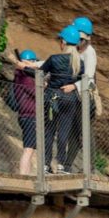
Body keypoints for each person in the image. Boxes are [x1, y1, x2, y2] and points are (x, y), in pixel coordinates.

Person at [41, 25, 83, 173]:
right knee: (64, 131)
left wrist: (24, 68)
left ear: (64, 42)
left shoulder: (54, 59)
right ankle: (60, 164)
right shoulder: (79, 63)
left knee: (49, 131)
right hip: (70, 99)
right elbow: (87, 80)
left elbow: (40, 73)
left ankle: (46, 164)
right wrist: (73, 86)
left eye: (60, 40)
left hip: (53, 98)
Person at [66, 15, 98, 167]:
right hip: (76, 98)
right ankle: (66, 166)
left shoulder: (89, 53)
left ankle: (90, 168)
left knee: (85, 132)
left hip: (85, 98)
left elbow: (89, 78)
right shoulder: (75, 50)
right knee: (74, 131)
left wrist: (74, 86)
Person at [14, 50, 39, 176]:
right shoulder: (25, 77)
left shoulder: (19, 75)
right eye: (33, 61)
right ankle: (23, 177)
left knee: (30, 150)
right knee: (28, 150)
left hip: (26, 115)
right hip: (29, 116)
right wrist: (43, 85)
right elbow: (36, 93)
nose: (35, 64)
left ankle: (26, 176)